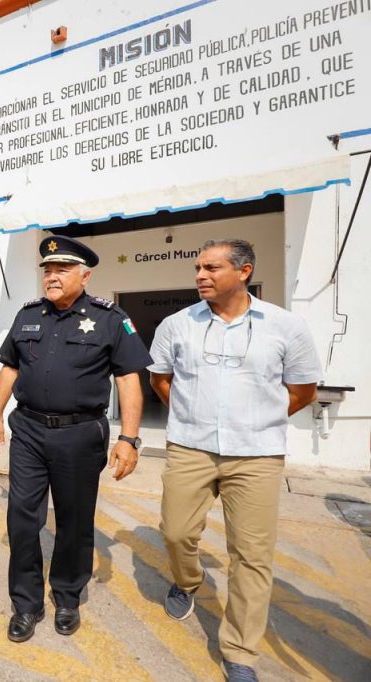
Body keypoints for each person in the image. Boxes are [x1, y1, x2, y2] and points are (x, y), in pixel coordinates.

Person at [148, 239, 320, 682]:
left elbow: (303, 391)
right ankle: (188, 581)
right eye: (198, 268)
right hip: (191, 447)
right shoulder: (176, 324)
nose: (200, 276)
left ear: (244, 272)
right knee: (175, 531)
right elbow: (161, 380)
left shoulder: (286, 326)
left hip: (257, 455)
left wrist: (257, 421)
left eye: (212, 268)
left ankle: (240, 651)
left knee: (251, 555)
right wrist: (191, 416)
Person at [0, 234, 152, 643]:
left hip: (80, 434)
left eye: (62, 269)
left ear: (85, 276)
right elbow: (10, 367)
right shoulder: (28, 315)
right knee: (21, 519)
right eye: (48, 270)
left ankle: (67, 596)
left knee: (74, 520)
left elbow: (128, 379)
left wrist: (129, 439)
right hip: (28, 430)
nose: (52, 276)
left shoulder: (110, 318)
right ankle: (26, 604)